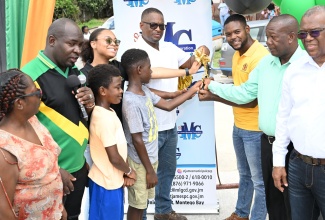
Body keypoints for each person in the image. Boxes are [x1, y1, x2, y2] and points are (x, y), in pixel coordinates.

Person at [199, 14, 305, 220]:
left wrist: (214, 91)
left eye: (273, 38)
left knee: (296, 205)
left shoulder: (306, 65)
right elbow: (244, 93)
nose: (269, 43)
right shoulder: (266, 64)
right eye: (268, 37)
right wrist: (213, 86)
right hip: (269, 143)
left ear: (291, 37)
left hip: (297, 148)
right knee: (274, 201)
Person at [134, 7, 209, 220]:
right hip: (147, 128)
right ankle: (142, 216)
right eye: (153, 25)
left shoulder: (169, 47)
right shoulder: (135, 50)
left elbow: (192, 63)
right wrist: (182, 76)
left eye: (162, 26)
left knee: (167, 173)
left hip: (169, 124)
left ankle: (163, 212)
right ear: (141, 26)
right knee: (143, 178)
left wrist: (203, 52)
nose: (158, 29)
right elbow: (143, 82)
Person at [21, 18, 95, 220]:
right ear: (52, 40)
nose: (78, 50)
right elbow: (20, 133)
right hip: (49, 175)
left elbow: (75, 114)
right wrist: (53, 168)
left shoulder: (73, 70)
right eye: (71, 44)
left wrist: (90, 102)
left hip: (78, 168)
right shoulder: (28, 77)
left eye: (80, 45)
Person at [201, 13, 270, 220]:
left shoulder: (260, 57)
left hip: (255, 130)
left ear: (247, 30)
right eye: (228, 34)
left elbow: (250, 101)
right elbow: (238, 90)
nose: (232, 37)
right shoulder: (239, 53)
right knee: (245, 175)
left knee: (260, 182)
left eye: (237, 32)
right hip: (239, 126)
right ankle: (241, 214)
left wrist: (214, 94)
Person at [121, 48, 202, 220]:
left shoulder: (144, 91)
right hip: (140, 163)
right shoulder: (131, 101)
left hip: (149, 160)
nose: (151, 71)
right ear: (139, 70)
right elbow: (137, 140)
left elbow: (168, 105)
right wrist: (150, 171)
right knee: (137, 206)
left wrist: (192, 90)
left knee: (142, 202)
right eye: (149, 68)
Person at [80, 28, 200, 123]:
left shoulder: (118, 67)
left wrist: (186, 73)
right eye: (108, 40)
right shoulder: (82, 75)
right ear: (93, 44)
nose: (114, 44)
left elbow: (149, 74)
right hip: (99, 135)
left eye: (116, 41)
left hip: (121, 132)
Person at [272, 6, 325, 220]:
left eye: (315, 32)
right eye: (303, 34)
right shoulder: (294, 70)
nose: (307, 39)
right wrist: (278, 162)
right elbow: (283, 117)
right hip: (298, 166)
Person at [0, 69, 64, 219]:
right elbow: (3, 210)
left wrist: (59, 207)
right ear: (20, 103)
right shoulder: (6, 149)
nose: (40, 96)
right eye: (36, 93)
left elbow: (46, 158)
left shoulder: (32, 120)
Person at [86, 64, 137, 220]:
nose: (121, 91)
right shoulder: (103, 118)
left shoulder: (109, 111)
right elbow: (114, 157)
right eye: (117, 87)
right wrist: (129, 171)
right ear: (102, 91)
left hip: (112, 181)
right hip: (106, 185)